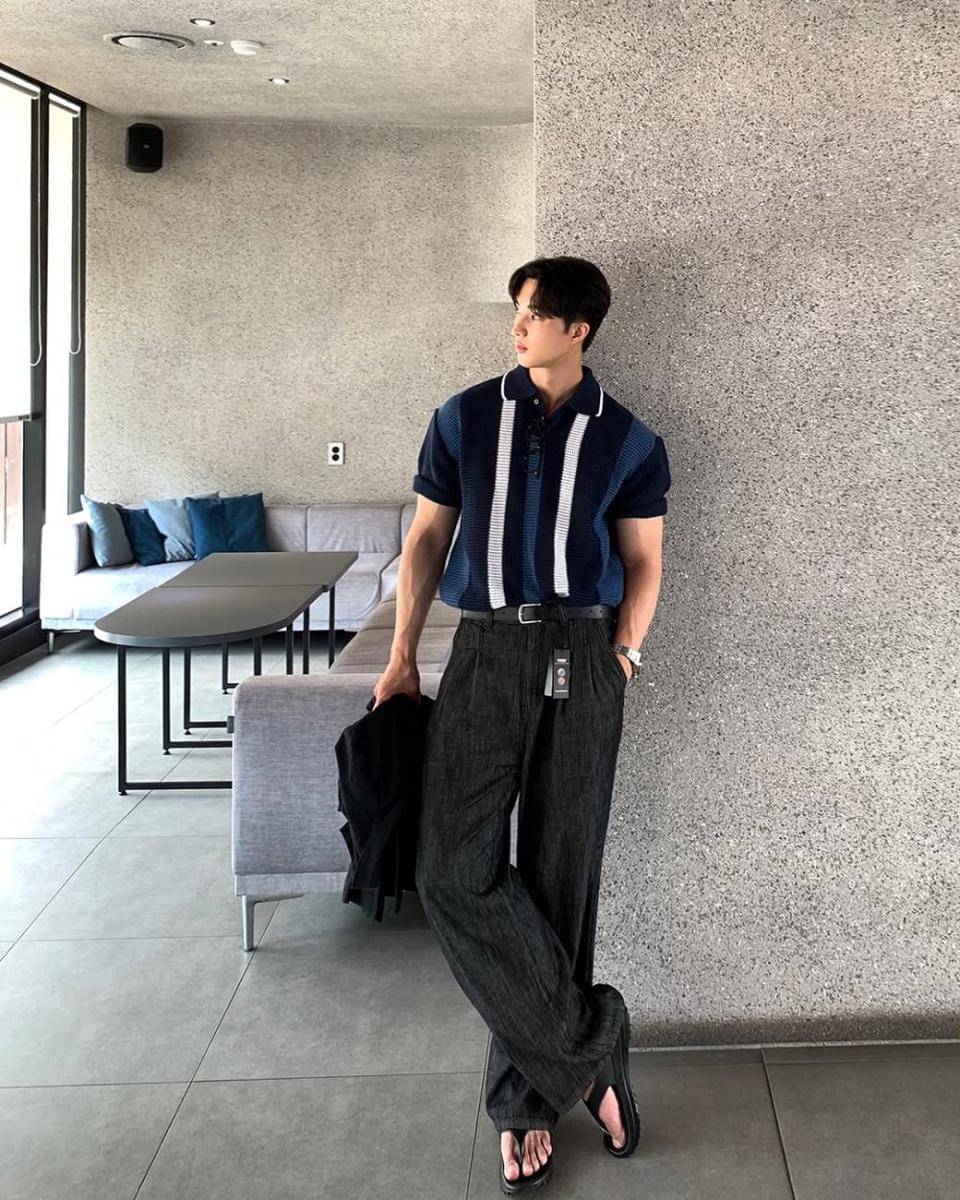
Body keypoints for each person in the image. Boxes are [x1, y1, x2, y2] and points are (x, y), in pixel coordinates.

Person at [373, 256, 670, 1191]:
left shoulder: (630, 440)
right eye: (517, 311)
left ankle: (524, 1102)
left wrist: (626, 654)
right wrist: (401, 654)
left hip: (585, 655)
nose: (517, 326)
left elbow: (645, 562)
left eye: (534, 313)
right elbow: (426, 540)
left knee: (560, 872)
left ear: (578, 328)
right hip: (488, 652)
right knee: (450, 868)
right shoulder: (462, 417)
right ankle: (593, 1044)